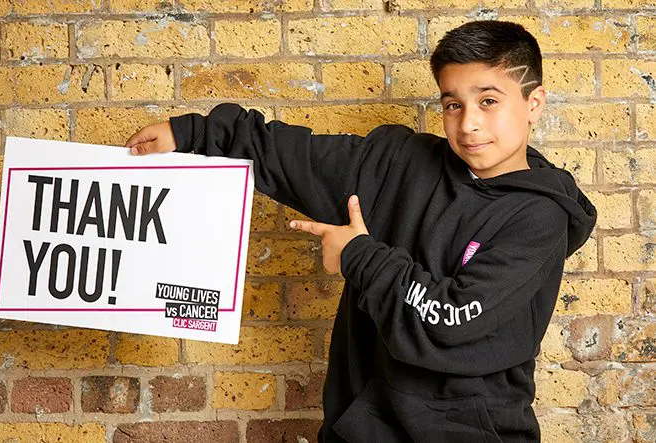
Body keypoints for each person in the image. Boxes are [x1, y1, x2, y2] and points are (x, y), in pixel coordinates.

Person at [124, 20, 597, 443]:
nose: (469, 123)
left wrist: (358, 255)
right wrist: (192, 135)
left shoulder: (539, 218)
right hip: (360, 427)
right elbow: (295, 157)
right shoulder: (399, 161)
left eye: (488, 101)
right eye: (453, 104)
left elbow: (451, 322)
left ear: (533, 103)